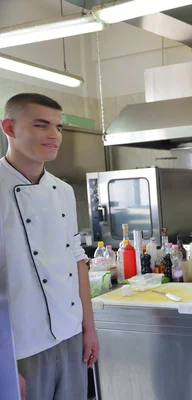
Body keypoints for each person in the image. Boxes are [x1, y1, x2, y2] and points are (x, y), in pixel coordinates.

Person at [0, 93, 99, 399]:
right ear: (10, 128)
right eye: (41, 125)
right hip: (19, 346)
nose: (54, 135)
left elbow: (76, 258)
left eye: (58, 127)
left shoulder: (63, 191)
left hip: (69, 335)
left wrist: (88, 328)